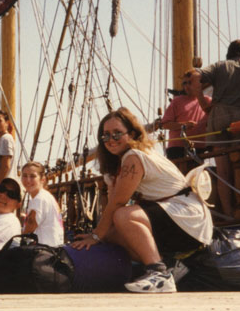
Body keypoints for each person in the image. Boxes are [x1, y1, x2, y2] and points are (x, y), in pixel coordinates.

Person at [70, 108, 212, 293]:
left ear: (132, 134)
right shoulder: (127, 159)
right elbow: (114, 199)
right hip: (179, 218)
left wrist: (95, 236)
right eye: (105, 136)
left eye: (117, 134)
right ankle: (169, 265)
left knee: (123, 216)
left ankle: (159, 273)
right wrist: (102, 234)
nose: (111, 140)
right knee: (112, 234)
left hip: (187, 217)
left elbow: (118, 203)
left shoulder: (134, 157)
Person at [188, 39, 240, 215]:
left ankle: (229, 212)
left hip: (219, 115)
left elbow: (194, 76)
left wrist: (202, 102)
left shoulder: (219, 66)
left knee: (223, 171)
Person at [156, 73, 209, 172]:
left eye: (190, 82)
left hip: (200, 147)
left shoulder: (207, 101)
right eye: (184, 83)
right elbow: (165, 124)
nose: (187, 86)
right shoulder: (177, 102)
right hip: (177, 148)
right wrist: (184, 125)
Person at [20, 161, 65, 246]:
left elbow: (28, 230)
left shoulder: (39, 199)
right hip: (54, 249)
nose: (28, 180)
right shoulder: (47, 196)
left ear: (42, 179)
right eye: (25, 176)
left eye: (32, 176)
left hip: (44, 252)